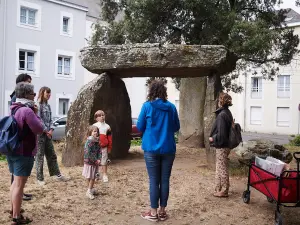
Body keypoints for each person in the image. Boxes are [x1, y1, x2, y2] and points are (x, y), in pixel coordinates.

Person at [137, 80, 180, 222]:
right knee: (165, 180)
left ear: (151, 91)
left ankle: (153, 212)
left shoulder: (147, 106)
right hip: (168, 148)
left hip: (151, 148)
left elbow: (139, 126)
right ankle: (162, 211)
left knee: (154, 180)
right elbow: (176, 127)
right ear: (164, 92)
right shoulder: (172, 107)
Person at [8, 82, 44, 224]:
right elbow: (39, 129)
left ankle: (13, 209)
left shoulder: (13, 108)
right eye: (33, 94)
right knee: (19, 185)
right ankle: (16, 217)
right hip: (24, 152)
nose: (35, 96)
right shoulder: (27, 111)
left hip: (12, 150)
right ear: (27, 95)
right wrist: (36, 114)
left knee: (15, 184)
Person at [35, 87, 69, 185]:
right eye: (47, 93)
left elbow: (50, 120)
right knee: (40, 156)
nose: (49, 95)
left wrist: (51, 129)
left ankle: (57, 174)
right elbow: (39, 120)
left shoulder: (48, 106)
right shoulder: (38, 105)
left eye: (50, 94)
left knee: (52, 155)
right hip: (40, 135)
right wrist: (46, 131)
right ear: (42, 93)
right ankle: (40, 178)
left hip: (48, 134)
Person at [9, 73, 33, 201]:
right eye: (28, 82)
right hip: (20, 142)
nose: (30, 84)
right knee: (17, 176)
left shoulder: (17, 98)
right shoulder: (17, 99)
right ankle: (17, 198)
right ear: (21, 83)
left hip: (18, 141)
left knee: (17, 176)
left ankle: (19, 194)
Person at [209, 92, 233, 198]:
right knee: (219, 166)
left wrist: (212, 138)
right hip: (225, 145)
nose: (218, 102)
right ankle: (218, 188)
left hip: (222, 145)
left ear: (221, 102)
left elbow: (222, 134)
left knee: (222, 167)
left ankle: (224, 190)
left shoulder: (222, 115)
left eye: (219, 100)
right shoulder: (227, 112)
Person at [82, 125, 102, 200]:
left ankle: (90, 189)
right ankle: (89, 191)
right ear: (90, 132)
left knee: (91, 177)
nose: (96, 133)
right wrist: (95, 160)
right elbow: (88, 153)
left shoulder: (97, 141)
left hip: (95, 162)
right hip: (90, 162)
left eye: (97, 131)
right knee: (91, 177)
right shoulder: (89, 141)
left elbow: (99, 151)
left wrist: (99, 158)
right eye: (94, 131)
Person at [93, 110, 112, 183]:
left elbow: (109, 138)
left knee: (104, 161)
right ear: (96, 118)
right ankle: (96, 174)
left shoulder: (107, 127)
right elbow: (92, 136)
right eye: (100, 115)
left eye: (103, 115)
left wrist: (109, 147)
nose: (102, 116)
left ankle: (104, 174)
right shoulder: (94, 126)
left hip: (104, 147)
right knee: (96, 161)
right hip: (96, 147)